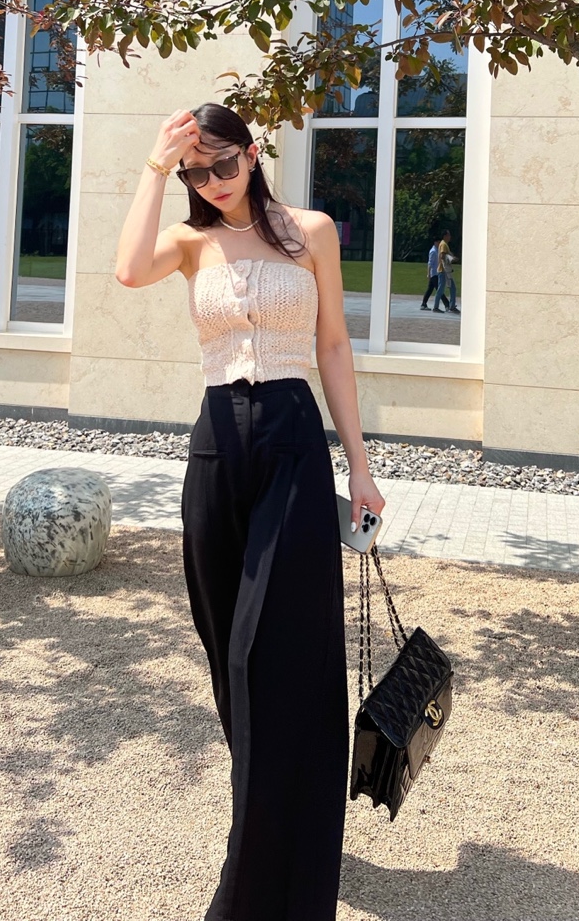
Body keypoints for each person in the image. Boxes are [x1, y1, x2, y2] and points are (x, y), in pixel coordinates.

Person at [114, 103, 386, 921]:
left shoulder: (311, 232)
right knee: (224, 647)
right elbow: (127, 271)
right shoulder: (189, 241)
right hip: (215, 449)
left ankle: (268, 866)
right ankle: (266, 809)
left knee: (280, 648)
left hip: (292, 440)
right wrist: (155, 166)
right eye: (196, 173)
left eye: (223, 165)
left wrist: (359, 466)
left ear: (254, 152)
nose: (213, 183)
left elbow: (332, 345)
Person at [435, 230, 460, 314]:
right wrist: (451, 259)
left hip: (444, 270)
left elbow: (445, 255)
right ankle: (446, 307)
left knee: (448, 288)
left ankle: (450, 306)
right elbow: (442, 256)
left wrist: (452, 257)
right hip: (443, 270)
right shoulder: (443, 244)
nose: (450, 237)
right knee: (443, 289)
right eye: (449, 235)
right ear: (445, 236)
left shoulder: (444, 244)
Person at [420, 238, 440, 309]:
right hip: (433, 273)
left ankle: (423, 304)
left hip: (436, 273)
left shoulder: (437, 250)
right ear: (435, 242)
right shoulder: (433, 251)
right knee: (439, 290)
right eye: (438, 241)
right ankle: (447, 305)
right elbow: (430, 263)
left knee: (430, 289)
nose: (439, 243)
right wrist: (428, 273)